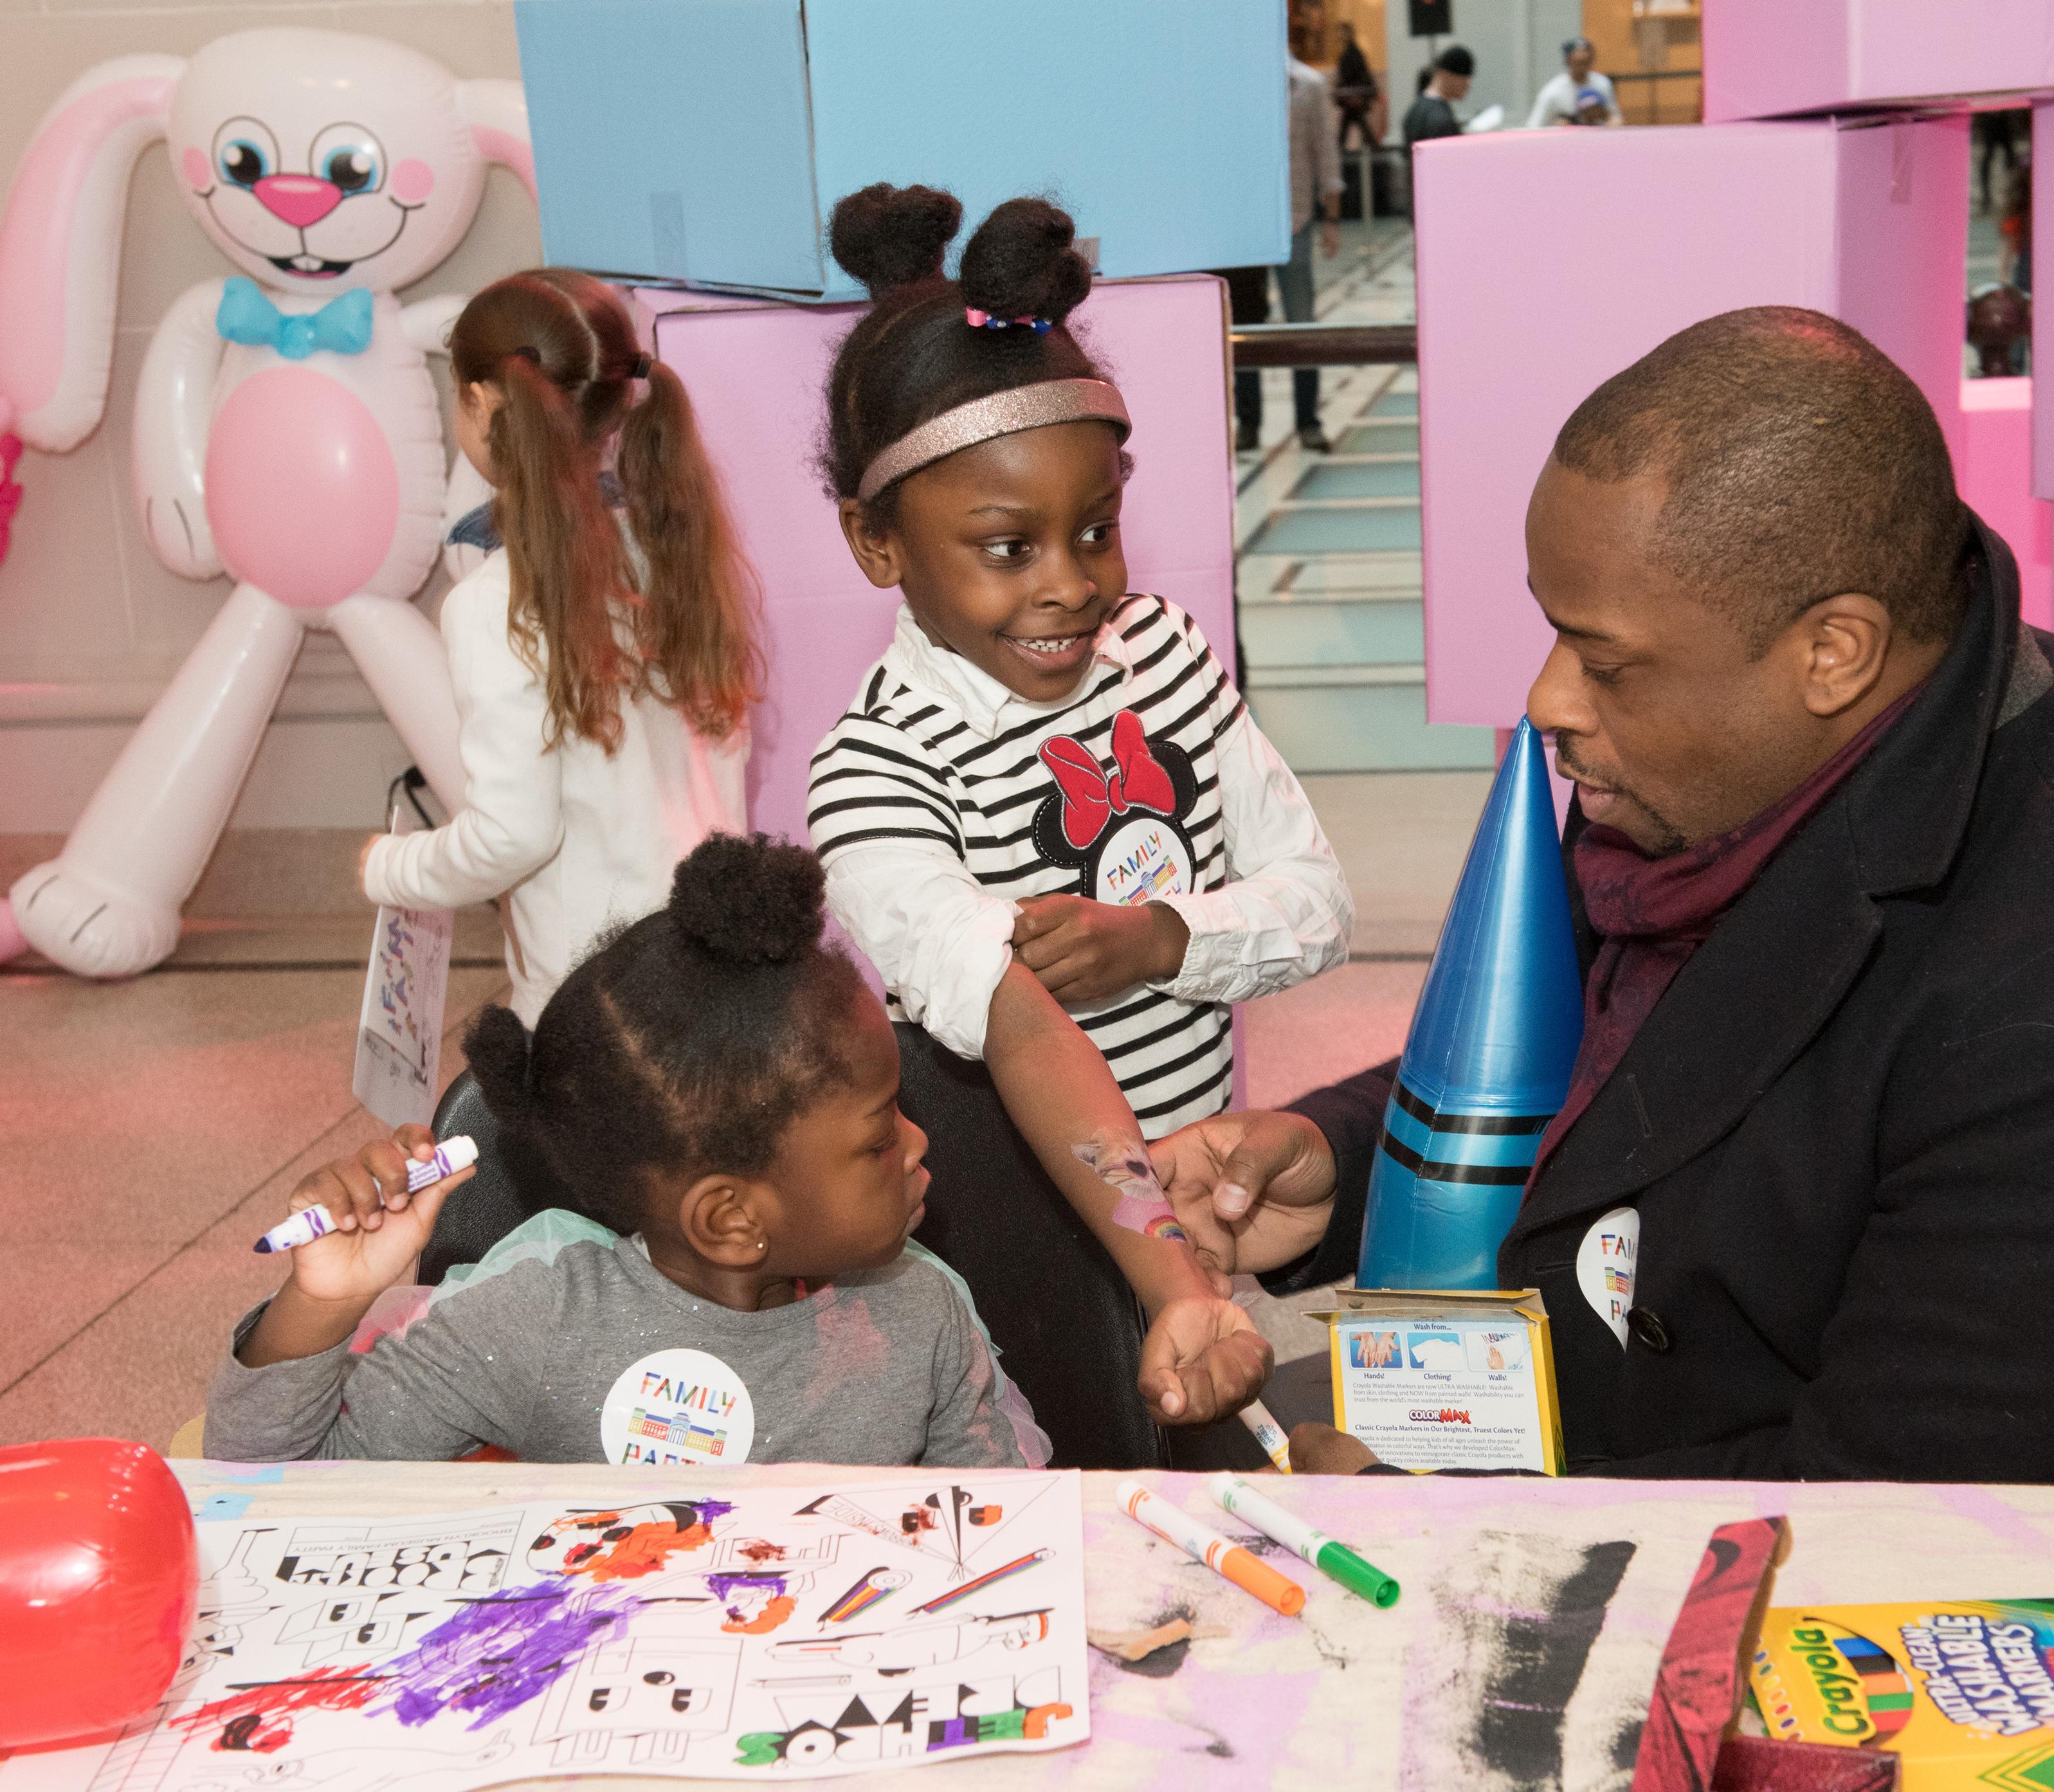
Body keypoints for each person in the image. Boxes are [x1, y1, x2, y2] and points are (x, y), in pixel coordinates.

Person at [1158, 307, 2054, 1487]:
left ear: (1834, 652)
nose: (1552, 696)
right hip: (1606, 1422)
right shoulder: (1726, 761)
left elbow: (1915, 1508)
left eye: (1607, 660)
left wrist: (1457, 1533)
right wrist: (1341, 1153)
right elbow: (1605, 1065)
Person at [807, 185, 1353, 1431]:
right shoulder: (876, 769)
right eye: (1009, 546)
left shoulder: (1162, 651)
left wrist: (1163, 940)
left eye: (1096, 528)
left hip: (1218, 1216)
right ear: (875, 541)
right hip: (1028, 1254)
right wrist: (1163, 1273)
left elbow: (1318, 901)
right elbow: (1021, 1027)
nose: (1072, 586)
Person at [207, 835, 1043, 1467]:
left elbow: (1007, 1541)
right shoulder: (537, 1319)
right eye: (877, 1134)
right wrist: (321, 1300)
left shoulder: (923, 1311)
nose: (919, 1139)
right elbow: (271, 1492)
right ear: (730, 1216)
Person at [360, 269, 756, 1024]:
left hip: (594, 999)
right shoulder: (672, 545)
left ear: (479, 405)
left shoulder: (492, 604)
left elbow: (513, 835)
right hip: (709, 961)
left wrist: (392, 867)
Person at [1233, 15, 1346, 455]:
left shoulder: (1308, 86)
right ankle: (1249, 422)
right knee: (1245, 326)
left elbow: (1327, 155)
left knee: (1301, 324)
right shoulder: (1237, 84)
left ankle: (1308, 420)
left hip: (1295, 221)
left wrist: (1332, 218)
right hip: (1245, 227)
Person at [1399, 45, 1475, 214]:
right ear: (1447, 76)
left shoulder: (1416, 109)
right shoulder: (1441, 119)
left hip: (1418, 203)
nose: (1468, 85)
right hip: (1438, 208)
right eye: (1465, 78)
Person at [1528, 36, 1624, 128]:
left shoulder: (1602, 84)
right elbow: (1535, 125)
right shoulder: (1553, 91)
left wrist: (1610, 121)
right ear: (1568, 60)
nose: (1583, 67)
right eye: (1578, 62)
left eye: (1586, 61)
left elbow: (1615, 117)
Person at [1332, 21, 1383, 150]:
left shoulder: (1352, 54)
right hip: (1354, 98)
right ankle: (1377, 157)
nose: (1340, 36)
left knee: (1351, 131)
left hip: (1353, 98)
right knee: (1359, 130)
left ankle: (1377, 159)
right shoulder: (1352, 53)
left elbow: (1355, 76)